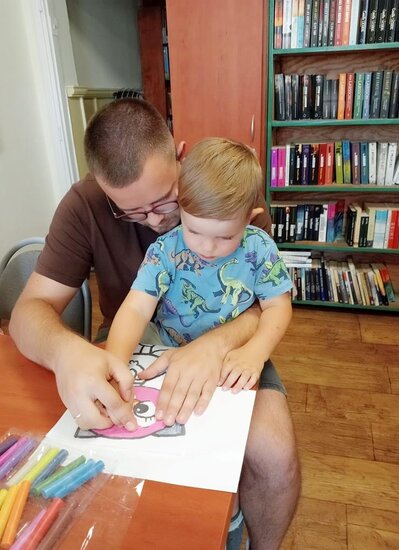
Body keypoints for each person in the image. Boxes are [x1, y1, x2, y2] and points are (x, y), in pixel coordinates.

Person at [10, 98, 300, 549]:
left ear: (180, 155)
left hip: (234, 340)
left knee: (274, 453)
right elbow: (37, 311)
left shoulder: (227, 187)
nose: (154, 220)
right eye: (130, 212)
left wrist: (219, 346)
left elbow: (268, 303)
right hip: (146, 341)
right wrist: (71, 353)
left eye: (165, 200)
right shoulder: (91, 209)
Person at [106, 137, 293, 402]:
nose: (207, 247)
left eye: (225, 236)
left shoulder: (260, 248)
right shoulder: (166, 250)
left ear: (249, 218)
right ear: (180, 207)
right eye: (193, 231)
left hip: (230, 353)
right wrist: (114, 364)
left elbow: (277, 307)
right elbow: (136, 308)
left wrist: (256, 351)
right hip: (165, 346)